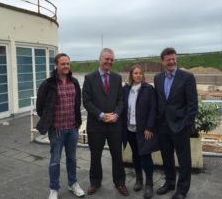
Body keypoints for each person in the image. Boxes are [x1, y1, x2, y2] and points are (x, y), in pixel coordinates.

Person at [36, 53, 85, 199]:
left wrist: (77, 123)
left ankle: (73, 183)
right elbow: (40, 107)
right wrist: (50, 122)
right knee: (55, 161)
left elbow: (77, 103)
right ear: (56, 65)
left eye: (68, 64)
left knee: (72, 159)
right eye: (63, 64)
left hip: (72, 128)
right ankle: (54, 188)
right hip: (56, 129)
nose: (66, 66)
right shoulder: (48, 84)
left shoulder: (75, 82)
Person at [82, 48, 129, 196]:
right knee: (95, 156)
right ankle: (95, 182)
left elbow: (121, 100)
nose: (109, 62)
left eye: (111, 60)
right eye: (106, 59)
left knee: (117, 155)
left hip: (115, 124)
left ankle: (120, 182)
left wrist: (116, 114)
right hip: (96, 125)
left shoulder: (117, 78)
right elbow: (87, 101)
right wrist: (101, 115)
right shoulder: (89, 78)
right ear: (100, 59)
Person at [154, 48, 198, 199]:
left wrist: (186, 125)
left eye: (173, 59)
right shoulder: (157, 78)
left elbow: (193, 105)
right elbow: (160, 102)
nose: (171, 62)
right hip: (163, 126)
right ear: (163, 62)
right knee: (167, 157)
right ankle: (170, 183)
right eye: (168, 60)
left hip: (180, 126)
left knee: (184, 159)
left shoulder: (187, 77)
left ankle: (182, 189)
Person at [122, 65, 158, 199]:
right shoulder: (126, 89)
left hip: (143, 130)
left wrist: (149, 127)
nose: (137, 75)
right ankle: (139, 179)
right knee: (135, 155)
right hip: (129, 129)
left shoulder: (148, 89)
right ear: (131, 75)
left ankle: (149, 184)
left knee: (146, 156)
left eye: (140, 73)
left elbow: (153, 109)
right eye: (135, 73)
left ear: (143, 75)